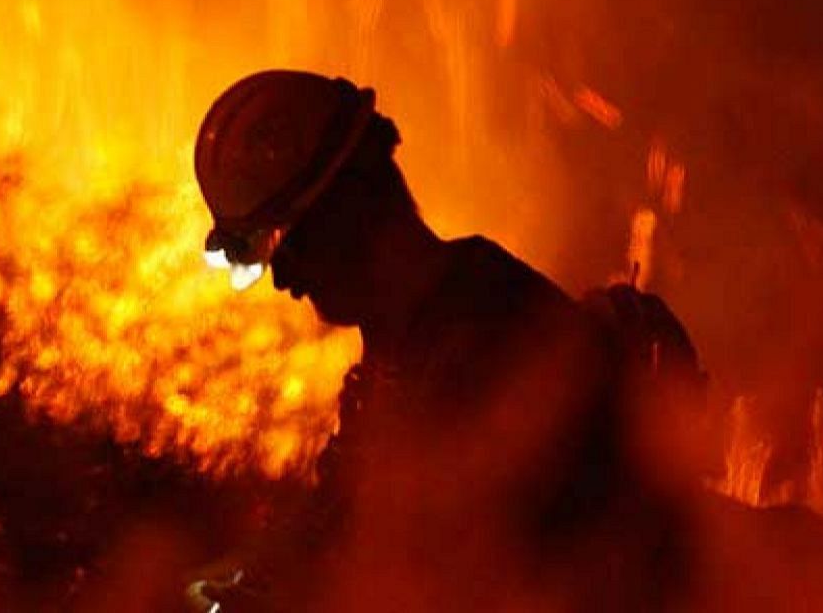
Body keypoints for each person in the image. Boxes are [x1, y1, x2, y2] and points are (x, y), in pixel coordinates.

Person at [191, 70, 706, 612]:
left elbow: (441, 572)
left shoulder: (493, 339)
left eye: (287, 247)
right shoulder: (401, 347)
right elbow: (337, 525)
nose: (284, 281)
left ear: (348, 213)